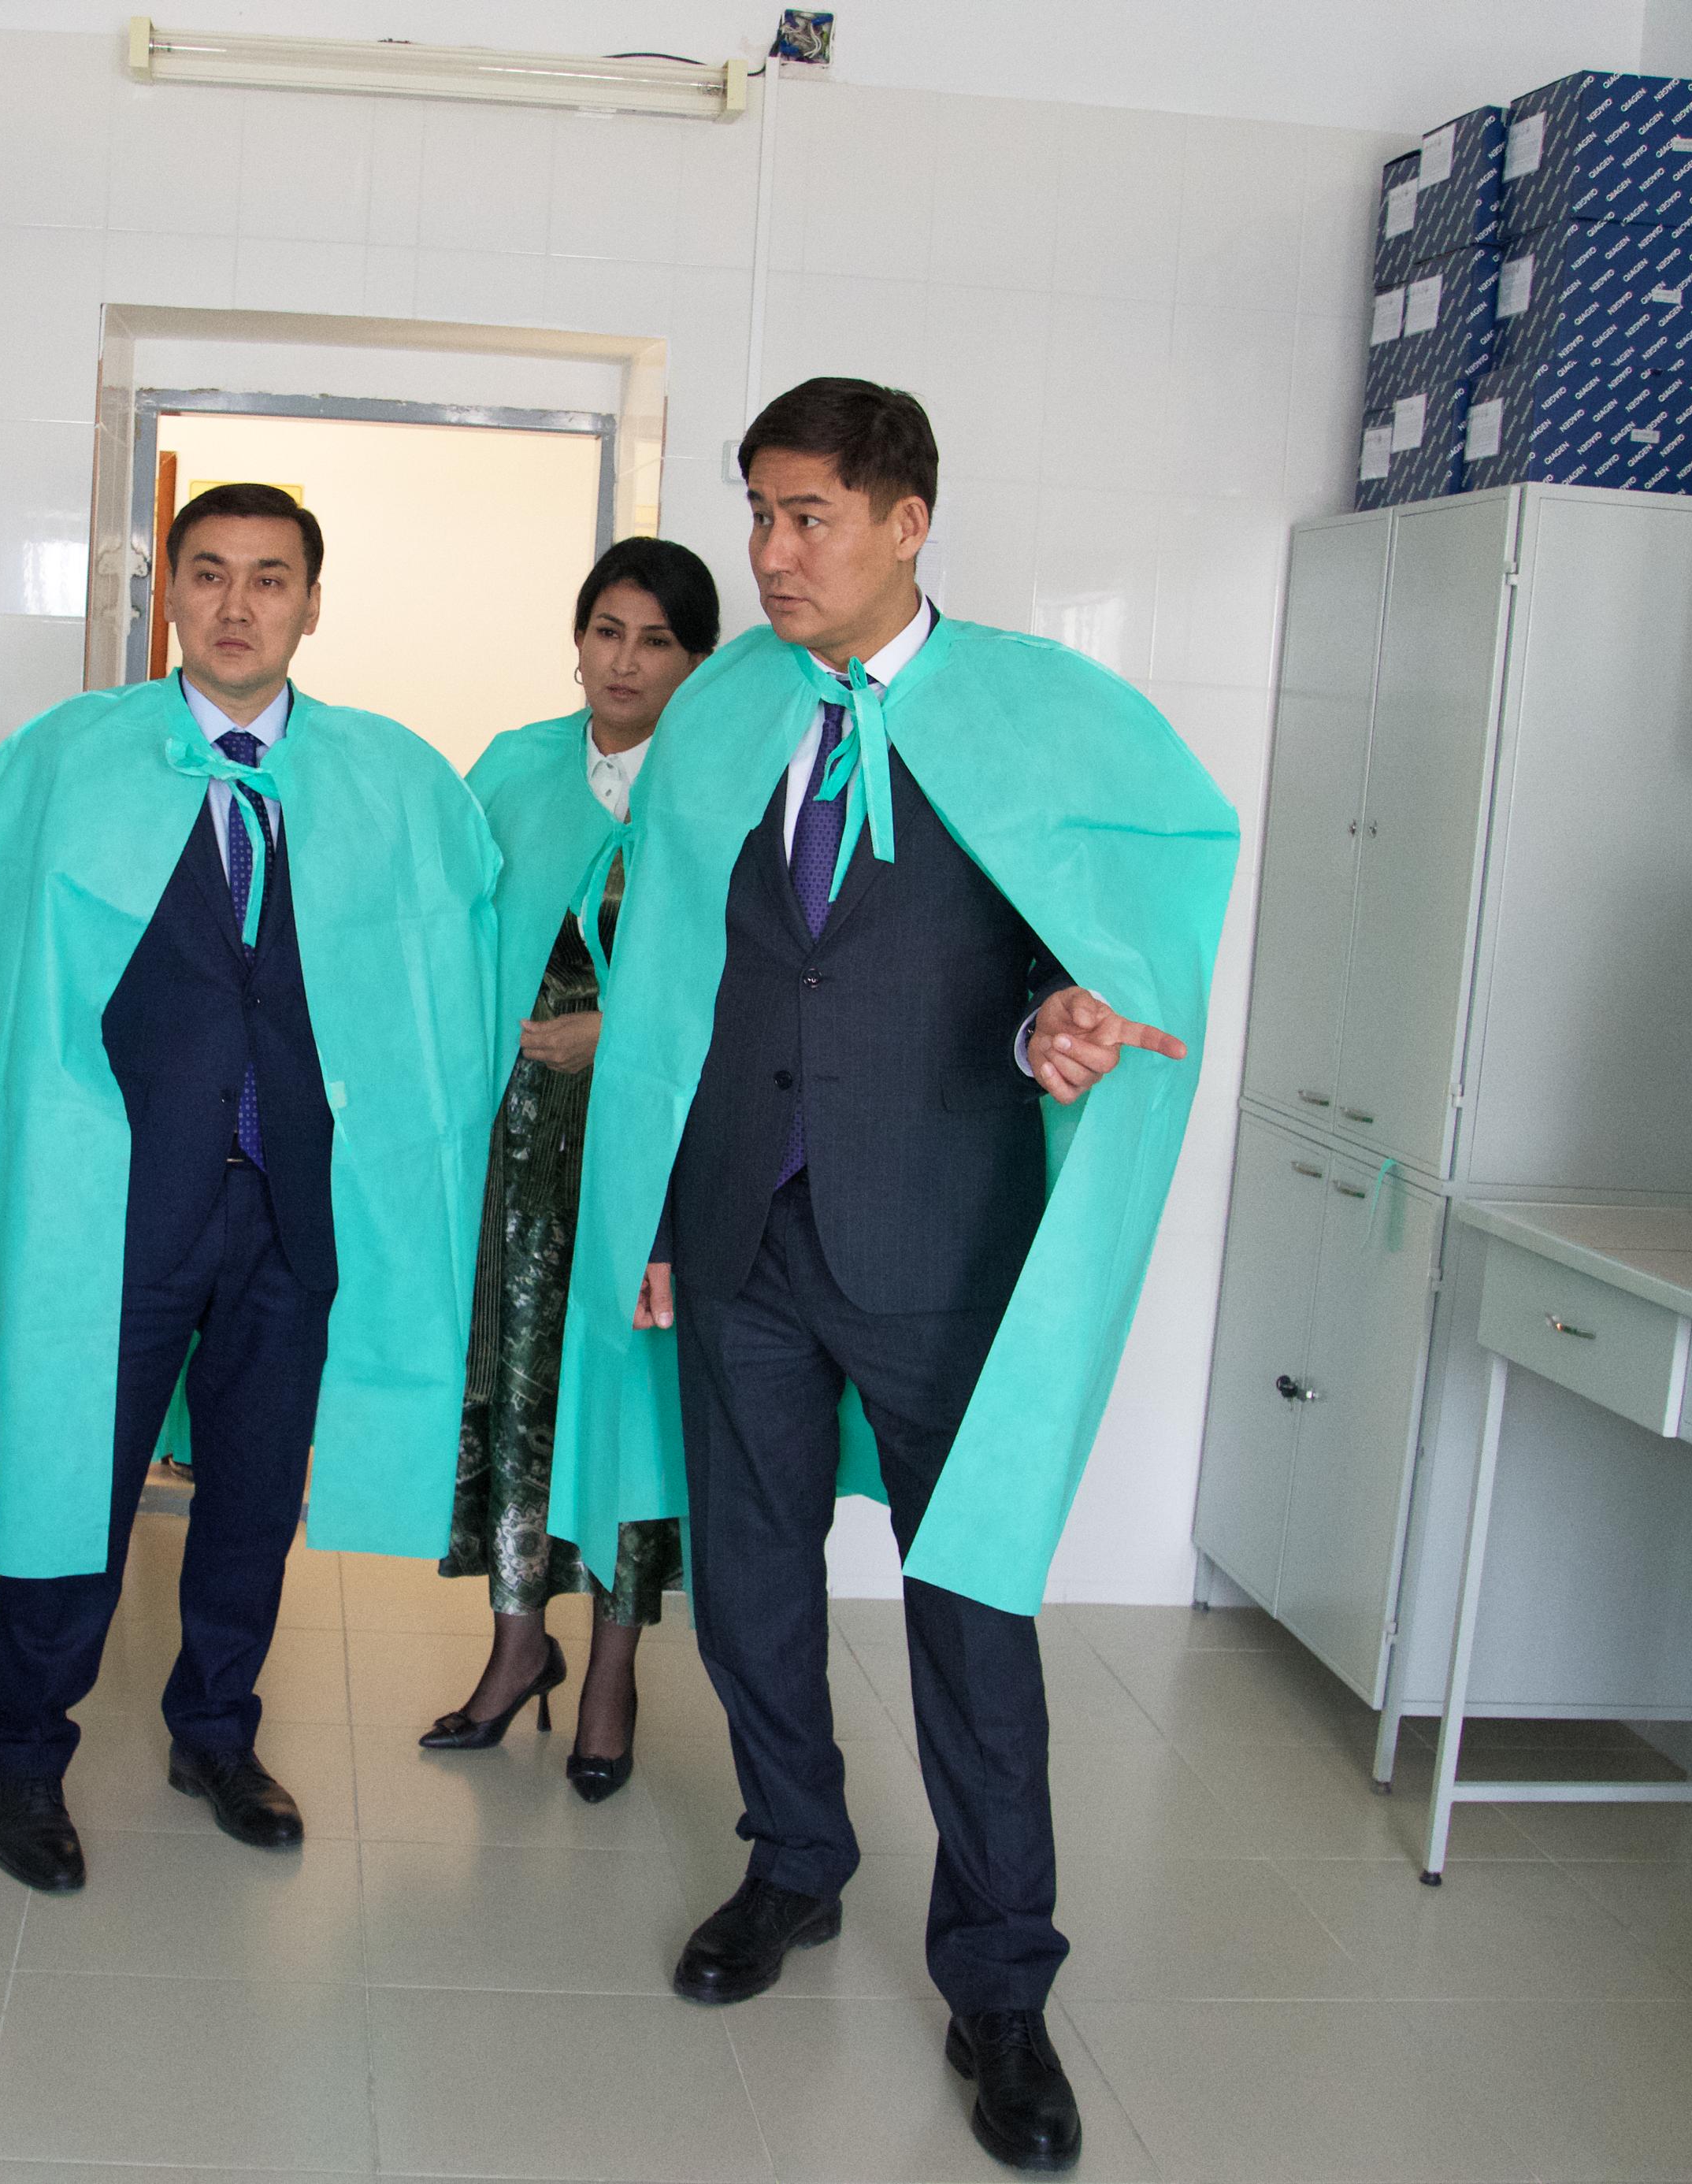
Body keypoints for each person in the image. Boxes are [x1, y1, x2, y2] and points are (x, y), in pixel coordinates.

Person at [552, 380, 1236, 2173]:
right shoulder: (725, 714)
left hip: (937, 1238)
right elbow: (675, 986)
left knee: (970, 1610)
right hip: (741, 1237)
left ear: (906, 521)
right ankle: (795, 1857)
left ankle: (1000, 1981)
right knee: (748, 1583)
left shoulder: (1028, 721)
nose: (771, 553)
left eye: (809, 518)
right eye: (759, 515)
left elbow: (1066, 960)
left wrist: (1059, 1025)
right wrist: (653, 1217)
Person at [0, 482, 503, 1891]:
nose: (237, 605)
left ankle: (216, 1731)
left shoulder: (384, 781)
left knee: (253, 1491)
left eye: (269, 577)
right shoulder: (72, 759)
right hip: (121, 1199)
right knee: (83, 1475)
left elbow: (455, 956)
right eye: (208, 573)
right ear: (168, 592)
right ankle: (25, 1754)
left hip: (293, 1199)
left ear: (312, 602)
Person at [425, 538, 718, 1799]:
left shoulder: (722, 792)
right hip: (514, 1147)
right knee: (516, 1382)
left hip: (648, 1159)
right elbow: (445, 925)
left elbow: (748, 976)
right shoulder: (514, 768)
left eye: (657, 641)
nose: (625, 661)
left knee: (626, 1400)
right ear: (578, 639)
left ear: (697, 662)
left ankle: (611, 1668)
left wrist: (621, 1034)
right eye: (607, 631)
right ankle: (515, 1644)